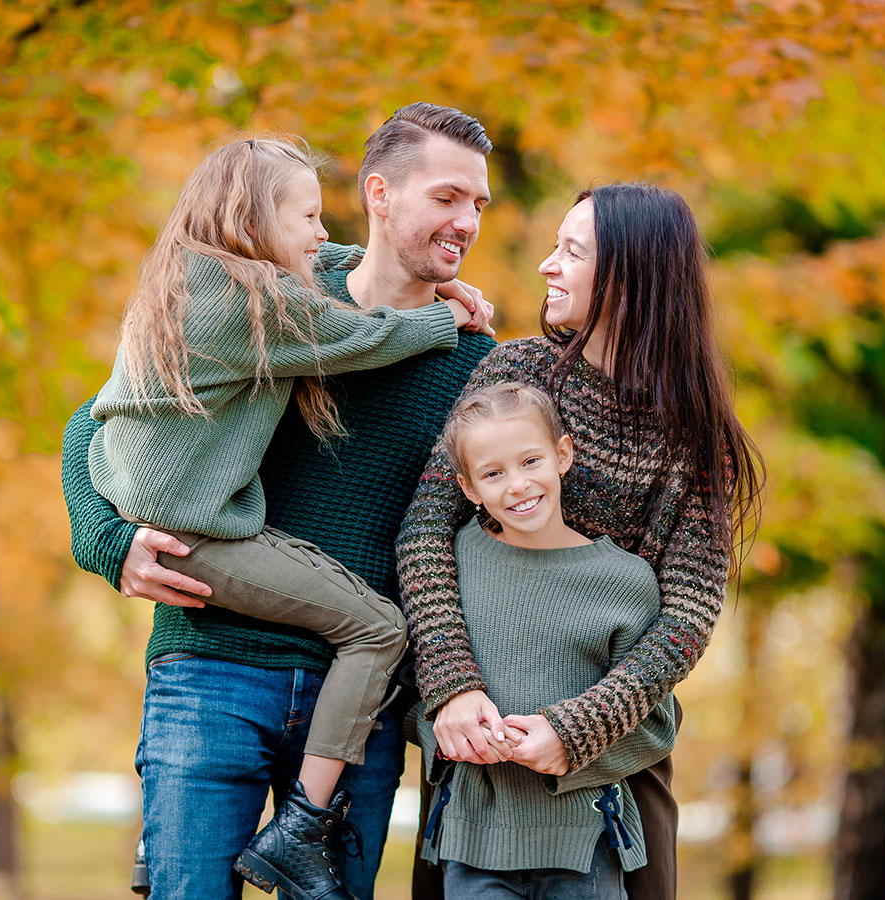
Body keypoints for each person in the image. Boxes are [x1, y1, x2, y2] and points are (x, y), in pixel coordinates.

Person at [60, 103, 497, 900]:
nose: (466, 220)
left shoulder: (473, 359)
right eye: (446, 197)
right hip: (209, 670)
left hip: (354, 706)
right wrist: (106, 539)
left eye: (479, 203)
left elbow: (476, 542)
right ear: (379, 194)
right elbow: (100, 421)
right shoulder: (272, 296)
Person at [397, 182, 764, 900]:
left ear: (630, 277)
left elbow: (687, 617)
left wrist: (582, 726)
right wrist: (451, 687)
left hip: (617, 763)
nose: (547, 265)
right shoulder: (517, 372)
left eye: (571, 251)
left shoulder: (697, 435)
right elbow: (425, 532)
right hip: (483, 747)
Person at [415, 381, 678, 900]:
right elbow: (417, 685)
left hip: (588, 844)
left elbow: (655, 723)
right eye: (493, 473)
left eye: (530, 461)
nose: (516, 485)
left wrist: (572, 742)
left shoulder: (625, 582)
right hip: (472, 845)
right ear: (469, 489)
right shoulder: (454, 564)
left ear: (563, 455)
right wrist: (452, 735)